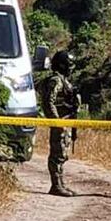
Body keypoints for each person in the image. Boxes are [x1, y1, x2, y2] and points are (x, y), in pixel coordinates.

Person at [39, 50, 80, 197]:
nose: (71, 68)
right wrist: (56, 121)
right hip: (60, 122)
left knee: (62, 155)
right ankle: (56, 186)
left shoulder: (63, 80)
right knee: (57, 155)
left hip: (65, 121)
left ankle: (60, 184)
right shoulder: (56, 80)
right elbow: (48, 102)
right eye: (69, 65)